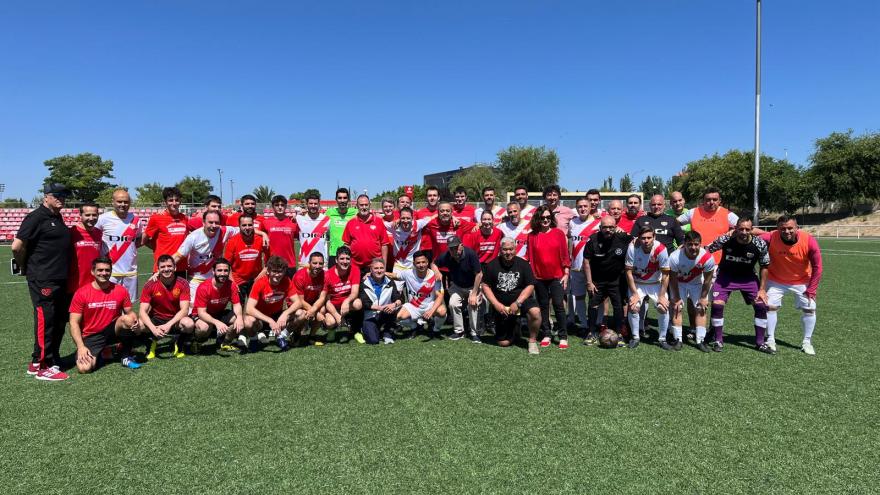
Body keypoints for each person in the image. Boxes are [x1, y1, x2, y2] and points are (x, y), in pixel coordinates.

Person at [13, 183, 73, 380]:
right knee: (45, 319)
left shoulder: (57, 216)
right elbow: (17, 246)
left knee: (57, 320)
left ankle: (45, 359)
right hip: (43, 277)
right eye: (56, 195)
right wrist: (24, 268)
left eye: (63, 195)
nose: (61, 198)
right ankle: (42, 366)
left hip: (59, 278)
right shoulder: (36, 217)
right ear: (46, 196)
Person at [758, 215, 823, 355]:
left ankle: (807, 342)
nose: (787, 231)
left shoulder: (809, 240)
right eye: (783, 229)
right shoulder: (771, 237)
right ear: (777, 229)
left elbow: (818, 267)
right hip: (776, 280)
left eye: (790, 228)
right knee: (770, 307)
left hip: (802, 281)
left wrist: (811, 289)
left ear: (797, 228)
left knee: (810, 309)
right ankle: (770, 340)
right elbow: (752, 234)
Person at [69, 256, 144, 373]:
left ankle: (125, 356)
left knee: (128, 319)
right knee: (84, 368)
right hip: (91, 336)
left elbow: (130, 313)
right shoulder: (81, 293)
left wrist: (136, 324)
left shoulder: (120, 290)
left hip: (112, 330)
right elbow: (74, 322)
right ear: (92, 272)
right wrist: (80, 347)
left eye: (107, 270)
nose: (104, 273)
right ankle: (104, 352)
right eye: (100, 270)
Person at [706, 218, 770, 353]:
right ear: (736, 228)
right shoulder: (725, 240)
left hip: (748, 278)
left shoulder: (759, 244)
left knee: (761, 305)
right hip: (725, 276)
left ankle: (760, 342)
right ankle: (718, 340)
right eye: (741, 229)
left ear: (752, 230)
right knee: (717, 304)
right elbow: (707, 250)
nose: (744, 232)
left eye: (747, 229)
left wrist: (762, 289)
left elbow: (764, 266)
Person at [481, 238, 542, 354]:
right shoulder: (492, 265)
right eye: (505, 249)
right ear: (500, 250)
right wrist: (496, 304)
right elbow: (485, 286)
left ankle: (532, 341)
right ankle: (515, 328)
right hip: (502, 307)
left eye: (511, 249)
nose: (508, 252)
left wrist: (518, 302)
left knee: (535, 312)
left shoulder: (523, 264)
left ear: (515, 249)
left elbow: (530, 285)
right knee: (503, 343)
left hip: (521, 301)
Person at [527, 205, 571, 349]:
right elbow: (530, 257)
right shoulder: (532, 235)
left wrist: (566, 273)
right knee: (543, 306)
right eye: (542, 217)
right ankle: (546, 333)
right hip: (539, 278)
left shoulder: (558, 233)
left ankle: (563, 336)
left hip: (557, 276)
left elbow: (565, 255)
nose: (545, 220)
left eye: (548, 217)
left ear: (551, 218)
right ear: (537, 219)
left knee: (558, 305)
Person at [583, 216, 632, 345]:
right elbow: (586, 261)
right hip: (597, 281)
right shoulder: (593, 240)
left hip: (616, 280)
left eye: (611, 227)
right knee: (593, 304)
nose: (608, 230)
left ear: (615, 228)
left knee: (618, 306)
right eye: (605, 227)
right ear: (600, 228)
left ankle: (619, 333)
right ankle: (592, 332)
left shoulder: (623, 238)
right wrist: (589, 282)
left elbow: (639, 241)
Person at [174, 210, 241, 303]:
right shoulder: (193, 237)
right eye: (210, 222)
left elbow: (245, 229)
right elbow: (178, 256)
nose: (214, 225)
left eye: (216, 223)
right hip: (196, 279)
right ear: (203, 223)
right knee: (194, 309)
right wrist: (158, 271)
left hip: (215, 279)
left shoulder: (224, 231)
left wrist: (263, 234)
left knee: (214, 308)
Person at [139, 254, 195, 359]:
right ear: (158, 269)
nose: (166, 269)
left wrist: (168, 325)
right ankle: (151, 342)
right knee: (140, 324)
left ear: (175, 267)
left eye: (169, 266)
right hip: (156, 319)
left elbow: (185, 310)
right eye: (163, 267)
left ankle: (179, 343)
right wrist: (153, 329)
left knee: (189, 324)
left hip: (175, 320)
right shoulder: (150, 285)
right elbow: (142, 311)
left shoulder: (183, 283)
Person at [668, 231, 715, 352]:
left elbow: (708, 280)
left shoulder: (707, 257)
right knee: (677, 308)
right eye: (690, 244)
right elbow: (672, 279)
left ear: (700, 244)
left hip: (696, 283)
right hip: (679, 283)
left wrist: (704, 298)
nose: (693, 247)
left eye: (696, 244)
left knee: (701, 308)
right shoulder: (674, 256)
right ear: (684, 244)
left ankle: (700, 340)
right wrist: (677, 298)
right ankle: (678, 339)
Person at [624, 227, 671, 349]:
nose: (646, 241)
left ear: (654, 237)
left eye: (649, 238)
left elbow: (666, 275)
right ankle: (635, 337)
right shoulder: (632, 247)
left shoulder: (661, 249)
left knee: (663, 307)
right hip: (638, 283)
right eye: (643, 238)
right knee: (634, 307)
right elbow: (628, 272)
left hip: (655, 283)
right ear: (638, 238)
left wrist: (661, 296)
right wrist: (634, 294)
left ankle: (662, 339)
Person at [96, 188, 143, 301]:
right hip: (109, 271)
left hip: (130, 271)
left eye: (126, 202)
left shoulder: (136, 220)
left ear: (130, 203)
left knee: (128, 306)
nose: (123, 204)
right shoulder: (103, 219)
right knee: (108, 303)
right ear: (113, 202)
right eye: (119, 201)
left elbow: (139, 239)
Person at [567, 197, 605, 337]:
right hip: (576, 267)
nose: (582, 209)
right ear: (576, 208)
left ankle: (598, 322)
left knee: (596, 297)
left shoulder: (598, 223)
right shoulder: (572, 222)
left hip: (594, 268)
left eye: (585, 206)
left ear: (590, 207)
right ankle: (583, 324)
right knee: (579, 297)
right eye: (580, 206)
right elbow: (571, 242)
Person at [191, 258, 246, 353]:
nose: (223, 273)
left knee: (238, 319)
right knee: (204, 327)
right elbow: (201, 313)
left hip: (218, 313)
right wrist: (216, 323)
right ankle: (196, 342)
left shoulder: (231, 285)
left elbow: (237, 305)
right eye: (219, 270)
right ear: (213, 271)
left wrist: (240, 318)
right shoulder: (204, 287)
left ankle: (225, 343)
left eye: (226, 271)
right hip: (201, 315)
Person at [435, 235, 483, 342]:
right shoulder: (446, 256)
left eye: (456, 247)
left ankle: (475, 333)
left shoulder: (470, 254)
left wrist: (474, 293)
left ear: (461, 245)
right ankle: (459, 331)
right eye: (451, 248)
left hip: (472, 286)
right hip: (457, 286)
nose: (454, 250)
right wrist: (437, 271)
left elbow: (479, 274)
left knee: (473, 304)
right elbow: (433, 264)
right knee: (453, 303)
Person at [246, 256, 297, 351]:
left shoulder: (287, 281)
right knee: (248, 321)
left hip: (277, 314)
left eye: (280, 271)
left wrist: (285, 314)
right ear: (268, 271)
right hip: (261, 318)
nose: (277, 275)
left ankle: (281, 337)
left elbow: (298, 302)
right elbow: (249, 308)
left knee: (301, 314)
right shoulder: (259, 283)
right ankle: (254, 340)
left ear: (284, 272)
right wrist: (270, 321)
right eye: (274, 271)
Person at [390, 251, 446, 338]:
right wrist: (378, 273)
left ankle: (436, 329)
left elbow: (440, 296)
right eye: (418, 263)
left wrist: (431, 311)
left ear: (427, 262)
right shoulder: (408, 273)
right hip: (414, 306)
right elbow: (394, 276)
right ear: (414, 264)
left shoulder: (435, 276)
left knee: (442, 311)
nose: (421, 265)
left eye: (423, 262)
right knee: (397, 317)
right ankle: (415, 326)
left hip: (429, 305)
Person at [677, 187, 739, 264]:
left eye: (715, 199)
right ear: (703, 200)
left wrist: (734, 230)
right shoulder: (693, 212)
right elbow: (674, 224)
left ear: (720, 200)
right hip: (695, 261)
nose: (711, 202)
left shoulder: (728, 214)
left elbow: (745, 227)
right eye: (708, 200)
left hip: (718, 262)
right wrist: (682, 241)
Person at [224, 213, 270, 304]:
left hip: (256, 279)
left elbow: (269, 261)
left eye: (250, 225)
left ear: (253, 225)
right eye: (244, 225)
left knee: (256, 310)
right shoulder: (232, 241)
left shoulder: (260, 240)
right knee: (238, 310)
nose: (247, 227)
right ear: (239, 226)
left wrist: (259, 277)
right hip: (238, 280)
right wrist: (233, 282)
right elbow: (226, 265)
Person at [144, 186, 190, 276]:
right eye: (170, 200)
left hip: (180, 267)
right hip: (163, 267)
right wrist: (157, 248)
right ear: (165, 202)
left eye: (177, 200)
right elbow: (144, 240)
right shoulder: (156, 218)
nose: (174, 203)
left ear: (180, 201)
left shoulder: (185, 218)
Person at [358, 258, 403, 344]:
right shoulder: (364, 283)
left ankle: (387, 332)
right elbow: (365, 303)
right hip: (370, 316)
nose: (379, 271)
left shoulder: (390, 282)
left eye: (381, 268)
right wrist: (380, 308)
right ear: (371, 269)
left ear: (385, 269)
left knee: (395, 308)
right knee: (373, 340)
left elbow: (399, 298)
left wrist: (393, 305)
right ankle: (367, 329)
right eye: (376, 268)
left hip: (385, 313)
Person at [323, 247, 363, 343]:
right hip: (333, 306)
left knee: (358, 303)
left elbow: (354, 292)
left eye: (347, 259)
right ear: (336, 260)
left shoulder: (355, 269)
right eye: (342, 259)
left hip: (347, 305)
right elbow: (326, 300)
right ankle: (331, 330)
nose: (345, 261)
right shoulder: (327, 275)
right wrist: (337, 316)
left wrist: (346, 301)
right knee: (330, 322)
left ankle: (355, 329)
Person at [342, 194, 390, 274]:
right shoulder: (351, 222)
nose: (364, 207)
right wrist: (347, 262)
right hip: (355, 266)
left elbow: (384, 244)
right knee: (356, 286)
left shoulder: (378, 221)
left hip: (375, 266)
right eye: (361, 205)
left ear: (369, 205)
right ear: (357, 206)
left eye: (366, 205)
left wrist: (383, 265)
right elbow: (347, 244)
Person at [290, 252, 329, 345]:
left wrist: (314, 310)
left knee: (323, 309)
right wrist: (314, 312)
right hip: (297, 304)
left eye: (320, 263)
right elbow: (300, 301)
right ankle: (296, 334)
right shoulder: (300, 276)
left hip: (311, 302)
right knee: (301, 313)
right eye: (314, 263)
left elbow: (322, 297)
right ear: (309, 263)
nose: (318, 266)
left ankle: (311, 336)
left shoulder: (325, 275)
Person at [68, 202, 102, 294]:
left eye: (94, 215)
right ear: (80, 215)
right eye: (87, 215)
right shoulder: (72, 232)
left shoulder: (100, 233)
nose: (91, 218)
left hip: (95, 284)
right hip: (75, 285)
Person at [262, 195, 298, 278]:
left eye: (282, 205)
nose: (280, 207)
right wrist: (263, 234)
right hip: (272, 263)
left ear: (286, 206)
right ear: (273, 207)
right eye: (277, 205)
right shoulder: (265, 222)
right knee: (271, 290)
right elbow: (256, 231)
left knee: (289, 290)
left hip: (289, 264)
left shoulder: (293, 222)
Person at [295, 192, 330, 269]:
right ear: (307, 204)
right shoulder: (299, 218)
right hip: (304, 263)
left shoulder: (326, 219)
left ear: (319, 204)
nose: (313, 206)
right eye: (311, 203)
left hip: (321, 264)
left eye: (315, 203)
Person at [326, 188, 357, 268]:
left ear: (348, 199)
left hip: (350, 254)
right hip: (334, 254)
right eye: (340, 198)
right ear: (336, 199)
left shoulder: (355, 213)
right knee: (332, 280)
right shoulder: (329, 213)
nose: (342, 200)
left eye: (345, 198)